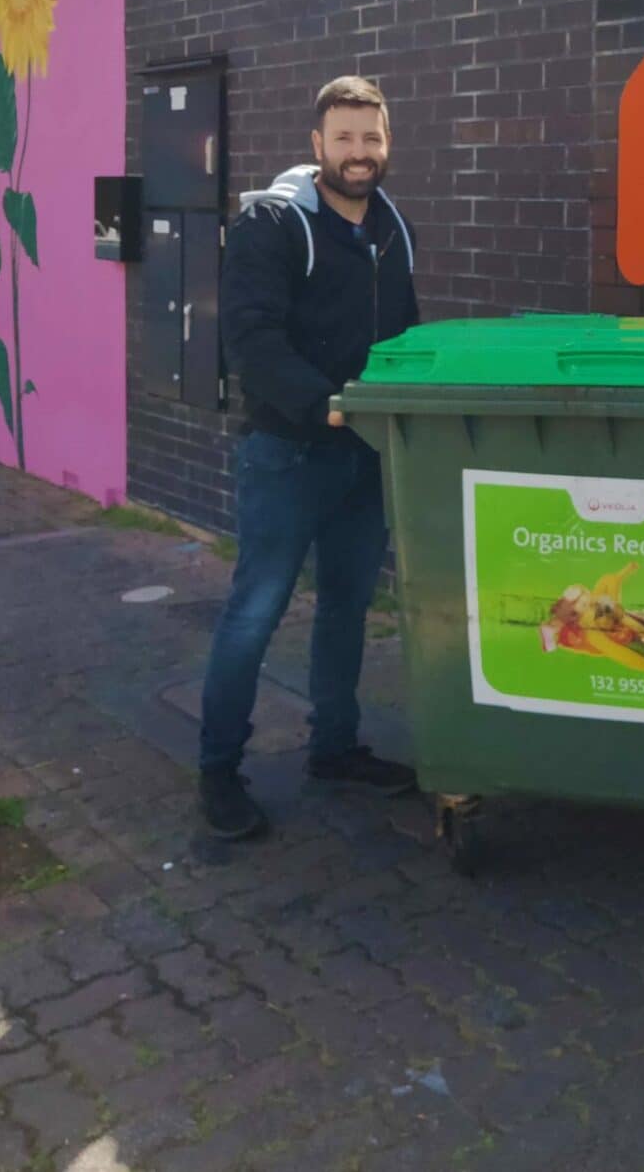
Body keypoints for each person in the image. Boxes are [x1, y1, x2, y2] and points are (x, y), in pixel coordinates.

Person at [199, 76, 420, 839]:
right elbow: (252, 339)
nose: (360, 153)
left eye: (372, 138)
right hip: (289, 452)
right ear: (317, 145)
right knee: (254, 611)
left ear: (386, 145)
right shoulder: (273, 221)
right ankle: (218, 771)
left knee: (348, 605)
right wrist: (325, 401)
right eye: (346, 138)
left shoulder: (389, 227)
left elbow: (404, 337)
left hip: (363, 456)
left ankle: (336, 747)